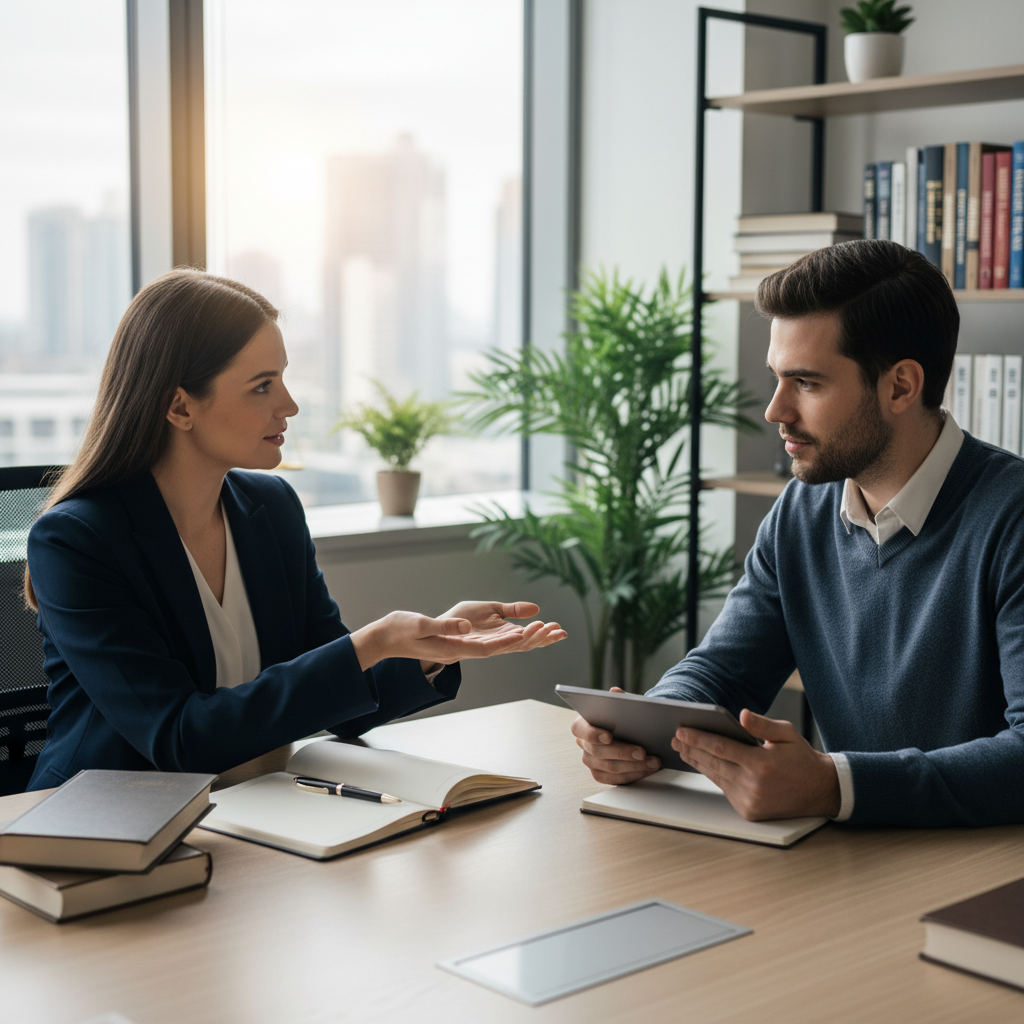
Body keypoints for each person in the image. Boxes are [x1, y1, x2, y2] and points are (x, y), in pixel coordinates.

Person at [25, 269, 565, 790]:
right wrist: (372, 642)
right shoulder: (76, 542)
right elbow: (180, 737)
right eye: (262, 386)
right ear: (179, 406)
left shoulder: (272, 508)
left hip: (249, 803)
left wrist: (428, 649)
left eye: (282, 379)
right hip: (107, 824)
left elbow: (342, 699)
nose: (290, 405)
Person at [571, 239, 1024, 828]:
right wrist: (643, 728)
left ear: (900, 387)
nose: (775, 410)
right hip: (851, 854)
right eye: (778, 379)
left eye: (806, 383)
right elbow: (725, 671)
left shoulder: (1011, 518)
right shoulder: (802, 509)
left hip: (987, 867)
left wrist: (836, 786)